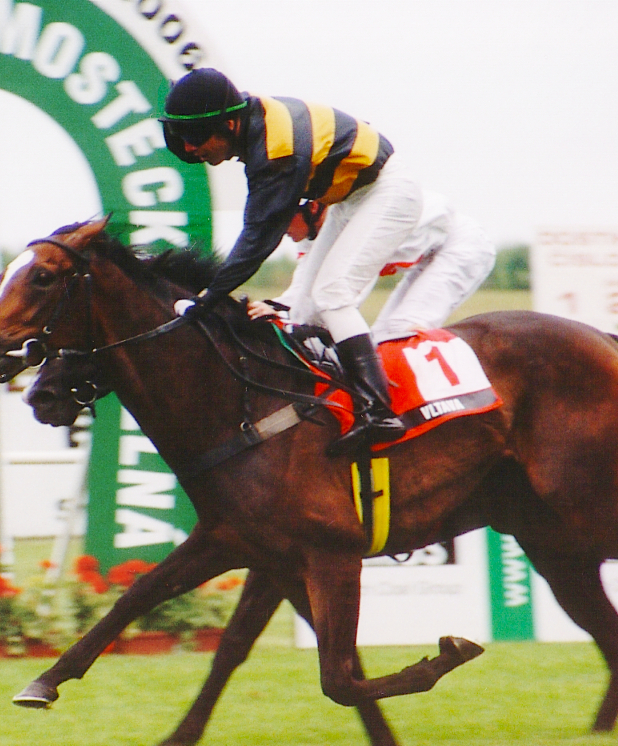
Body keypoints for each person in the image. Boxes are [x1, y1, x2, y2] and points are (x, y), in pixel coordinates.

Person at [159, 67, 421, 455]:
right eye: (181, 137)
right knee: (303, 309)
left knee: (332, 292)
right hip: (349, 198)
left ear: (229, 124)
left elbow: (258, 239)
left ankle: (379, 411)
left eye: (196, 136)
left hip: (387, 192)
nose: (190, 147)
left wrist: (207, 299)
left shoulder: (276, 150)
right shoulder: (256, 130)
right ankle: (332, 401)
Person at [248, 193, 496, 344]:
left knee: (399, 330)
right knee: (380, 338)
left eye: (281, 219)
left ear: (312, 207)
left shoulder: (350, 225)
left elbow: (345, 296)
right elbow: (303, 287)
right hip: (429, 251)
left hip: (461, 246)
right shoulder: (312, 233)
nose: (278, 230)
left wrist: (289, 320)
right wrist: (274, 307)